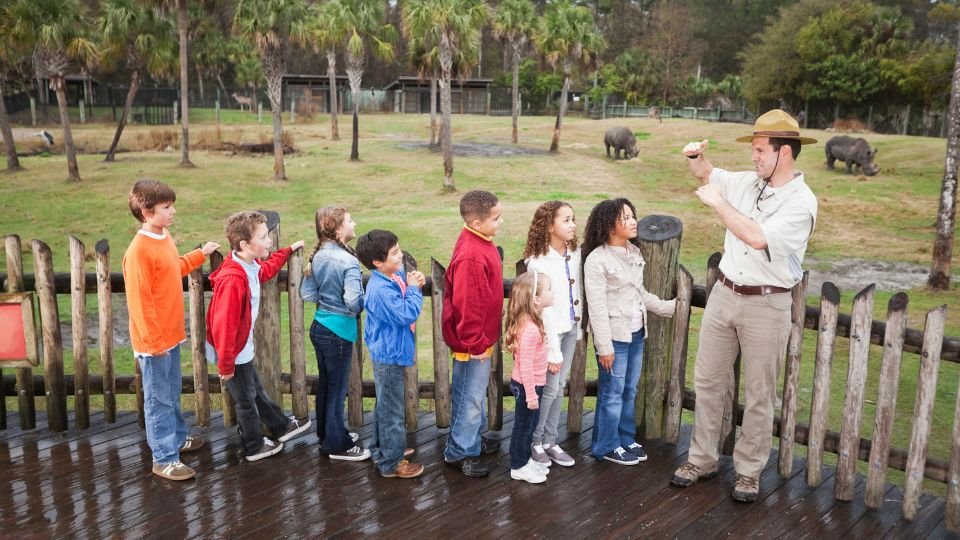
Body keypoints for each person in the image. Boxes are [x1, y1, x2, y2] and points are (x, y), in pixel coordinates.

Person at [671, 109, 817, 502]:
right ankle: (701, 460)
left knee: (758, 393)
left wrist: (719, 205)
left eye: (758, 149)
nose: (753, 157)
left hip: (767, 306)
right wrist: (695, 158)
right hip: (725, 295)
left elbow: (756, 237)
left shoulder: (801, 203)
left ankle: (749, 472)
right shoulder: (750, 183)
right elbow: (707, 174)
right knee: (707, 383)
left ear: (783, 152)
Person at [122, 179, 219, 481]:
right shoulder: (138, 251)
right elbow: (140, 302)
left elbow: (172, 269)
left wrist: (200, 254)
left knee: (171, 392)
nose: (172, 211)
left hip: (171, 334)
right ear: (146, 212)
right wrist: (153, 342)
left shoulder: (163, 237)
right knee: (158, 399)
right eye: (166, 207)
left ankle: (176, 438)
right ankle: (164, 458)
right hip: (155, 343)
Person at [205, 211, 312, 462]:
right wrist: (226, 364)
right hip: (230, 350)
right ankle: (253, 446)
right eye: (263, 238)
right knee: (244, 400)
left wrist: (286, 251)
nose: (268, 242)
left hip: (239, 347)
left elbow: (265, 270)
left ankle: (280, 426)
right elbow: (224, 325)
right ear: (244, 245)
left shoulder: (248, 265)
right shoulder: (233, 280)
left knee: (254, 389)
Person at [583, 198, 676, 466]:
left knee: (629, 390)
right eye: (625, 217)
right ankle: (606, 446)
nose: (633, 221)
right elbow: (597, 307)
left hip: (636, 334)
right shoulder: (597, 260)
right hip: (614, 337)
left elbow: (639, 294)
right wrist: (604, 348)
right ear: (609, 224)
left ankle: (625, 438)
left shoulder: (633, 252)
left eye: (632, 215)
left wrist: (670, 307)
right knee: (612, 392)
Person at [442, 190, 504, 478]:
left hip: (481, 339)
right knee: (469, 397)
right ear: (476, 223)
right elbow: (467, 304)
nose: (500, 222)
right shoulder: (471, 255)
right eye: (496, 218)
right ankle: (459, 452)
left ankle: (472, 439)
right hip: (472, 343)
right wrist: (474, 343)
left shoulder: (480, 241)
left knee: (474, 395)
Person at [355, 229, 426, 479]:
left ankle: (383, 448)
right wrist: (415, 289)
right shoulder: (380, 289)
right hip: (389, 355)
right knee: (392, 411)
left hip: (389, 351)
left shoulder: (390, 277)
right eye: (394, 253)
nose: (400, 255)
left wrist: (412, 281)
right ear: (377, 262)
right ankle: (391, 462)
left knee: (385, 406)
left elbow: (404, 292)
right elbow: (406, 314)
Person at [301, 205, 368, 461]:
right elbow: (353, 302)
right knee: (337, 391)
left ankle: (328, 434)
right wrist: (364, 303)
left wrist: (328, 303)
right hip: (339, 332)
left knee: (327, 387)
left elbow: (307, 294)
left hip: (320, 327)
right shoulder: (348, 261)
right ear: (339, 229)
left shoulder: (317, 256)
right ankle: (337, 446)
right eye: (350, 220)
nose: (354, 223)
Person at [523, 201, 581, 468]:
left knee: (559, 387)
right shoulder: (537, 262)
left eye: (573, 219)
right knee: (549, 388)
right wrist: (553, 350)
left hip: (571, 328)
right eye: (566, 220)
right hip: (551, 334)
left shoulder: (574, 251)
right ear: (549, 226)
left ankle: (550, 440)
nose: (573, 225)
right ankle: (535, 441)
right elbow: (542, 310)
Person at [504, 271, 554, 483]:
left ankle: (525, 459)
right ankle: (518, 465)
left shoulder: (530, 321)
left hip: (530, 385)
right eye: (549, 290)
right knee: (524, 426)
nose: (552, 293)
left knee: (529, 425)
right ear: (535, 299)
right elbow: (525, 365)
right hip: (528, 386)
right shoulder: (530, 329)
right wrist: (531, 395)